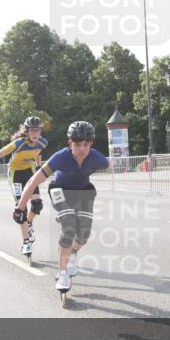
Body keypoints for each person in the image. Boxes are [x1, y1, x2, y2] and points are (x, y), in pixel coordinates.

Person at [14, 121, 109, 293]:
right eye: (77, 144)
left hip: (83, 191)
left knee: (84, 234)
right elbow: (33, 181)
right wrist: (20, 208)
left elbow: (112, 166)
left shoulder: (97, 158)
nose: (82, 149)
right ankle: (63, 272)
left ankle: (72, 253)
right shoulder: (60, 157)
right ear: (69, 143)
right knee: (70, 226)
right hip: (60, 189)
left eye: (86, 144)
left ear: (91, 143)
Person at [0, 116, 48, 256]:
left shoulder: (43, 142)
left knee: (37, 205)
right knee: (21, 209)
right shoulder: (18, 144)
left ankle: (29, 224)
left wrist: (38, 168)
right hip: (16, 175)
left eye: (37, 130)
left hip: (30, 174)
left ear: (40, 131)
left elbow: (38, 153)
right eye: (32, 130)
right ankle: (26, 242)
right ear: (26, 132)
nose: (35, 133)